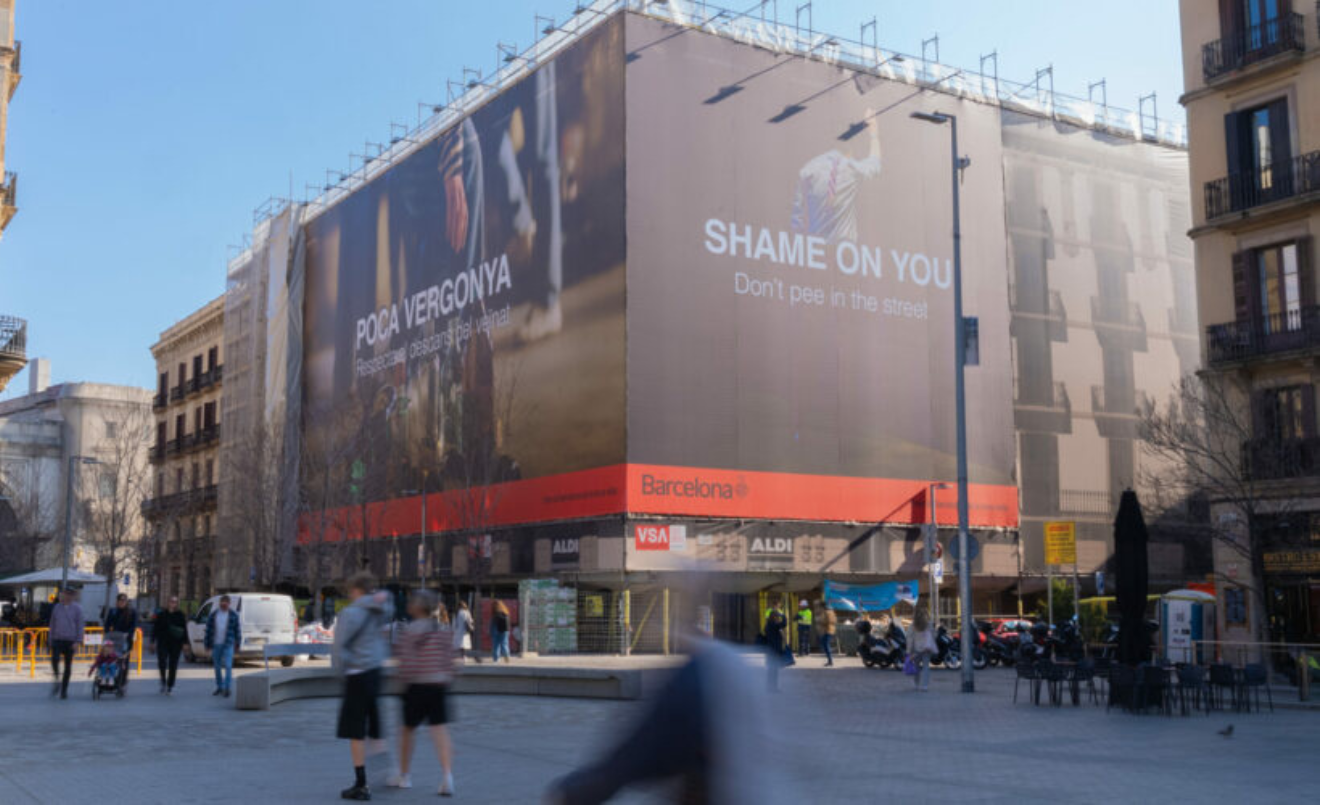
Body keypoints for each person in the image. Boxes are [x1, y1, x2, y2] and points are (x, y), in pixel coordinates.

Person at [388, 591, 457, 797]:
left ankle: (405, 776)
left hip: (416, 686)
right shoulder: (444, 630)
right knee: (439, 730)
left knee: (408, 731)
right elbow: (450, 661)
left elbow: (405, 663)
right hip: (438, 685)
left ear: (417, 607)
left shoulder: (409, 631)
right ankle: (447, 776)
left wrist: (401, 683)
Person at [333, 572, 394, 801]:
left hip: (356, 675)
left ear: (355, 590)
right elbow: (389, 600)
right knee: (375, 721)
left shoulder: (349, 613)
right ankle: (388, 767)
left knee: (355, 731)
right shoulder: (379, 610)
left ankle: (361, 783)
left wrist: (340, 674)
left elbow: (339, 649)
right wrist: (376, 597)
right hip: (376, 673)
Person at [48, 588, 84, 699]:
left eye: (69, 595)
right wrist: (50, 640)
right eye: (65, 594)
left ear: (72, 596)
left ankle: (64, 690)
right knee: (54, 659)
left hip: (70, 641)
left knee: (68, 666)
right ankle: (56, 676)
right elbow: (52, 624)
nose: (66, 597)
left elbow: (80, 625)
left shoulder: (77, 609)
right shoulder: (57, 608)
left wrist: (78, 641)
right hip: (57, 639)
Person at [205, 594, 242, 698]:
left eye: (226, 603)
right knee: (217, 667)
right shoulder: (213, 615)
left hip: (228, 644)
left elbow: (237, 630)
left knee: (228, 666)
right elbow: (208, 631)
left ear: (229, 604)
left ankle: (227, 688)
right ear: (220, 603)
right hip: (216, 644)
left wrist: (238, 643)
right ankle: (219, 687)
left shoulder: (233, 615)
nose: (224, 605)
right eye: (222, 603)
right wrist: (207, 644)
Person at [151, 595, 188, 695]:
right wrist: (152, 641)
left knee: (173, 664)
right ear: (167, 603)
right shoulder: (161, 614)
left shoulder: (180, 615)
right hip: (163, 641)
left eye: (175, 602)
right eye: (171, 601)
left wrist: (185, 643)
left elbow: (184, 629)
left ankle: (170, 685)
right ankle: (163, 681)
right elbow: (155, 629)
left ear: (177, 604)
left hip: (176, 643)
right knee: (162, 661)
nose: (172, 603)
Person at [104, 593, 139, 689]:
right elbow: (107, 624)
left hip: (126, 639)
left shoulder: (132, 612)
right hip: (115, 638)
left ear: (126, 602)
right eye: (120, 601)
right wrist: (107, 633)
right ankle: (111, 678)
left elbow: (134, 625)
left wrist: (128, 634)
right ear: (117, 601)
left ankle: (122, 681)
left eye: (124, 601)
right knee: (111, 659)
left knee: (123, 661)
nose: (122, 602)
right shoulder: (113, 611)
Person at [909, 608, 937, 692]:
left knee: (916, 667)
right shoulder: (929, 624)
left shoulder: (913, 625)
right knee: (926, 667)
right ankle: (925, 685)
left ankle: (916, 684)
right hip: (926, 648)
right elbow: (934, 635)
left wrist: (909, 650)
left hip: (916, 649)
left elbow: (910, 638)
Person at [763, 605, 790, 694]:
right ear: (774, 617)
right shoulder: (773, 625)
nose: (778, 618)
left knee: (772, 671)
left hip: (770, 650)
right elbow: (784, 624)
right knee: (774, 671)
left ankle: (770, 688)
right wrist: (782, 615)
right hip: (774, 650)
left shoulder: (768, 625)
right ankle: (773, 688)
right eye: (777, 616)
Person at [451, 600, 479, 664]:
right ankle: (464, 657)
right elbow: (471, 621)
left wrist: (453, 630)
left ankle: (461, 656)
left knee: (460, 645)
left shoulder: (456, 613)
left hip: (458, 631)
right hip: (465, 631)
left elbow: (454, 623)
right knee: (464, 644)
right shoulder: (467, 612)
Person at [818, 603, 838, 667]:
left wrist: (820, 621)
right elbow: (835, 621)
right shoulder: (833, 613)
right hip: (831, 630)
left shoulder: (826, 612)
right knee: (826, 644)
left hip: (826, 630)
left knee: (826, 645)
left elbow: (824, 621)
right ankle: (830, 659)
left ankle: (830, 661)